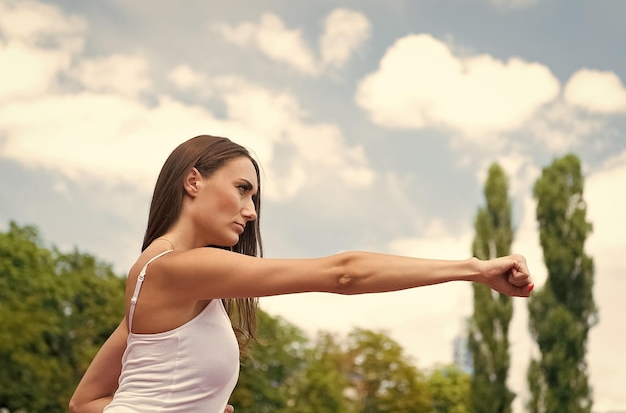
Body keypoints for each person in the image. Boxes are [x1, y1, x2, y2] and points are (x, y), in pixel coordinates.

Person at [69, 134, 534, 413]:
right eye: (242, 190)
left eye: (254, 198)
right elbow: (343, 274)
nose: (250, 211)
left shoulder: (156, 279)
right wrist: (472, 269)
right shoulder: (178, 268)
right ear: (193, 182)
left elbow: (85, 403)